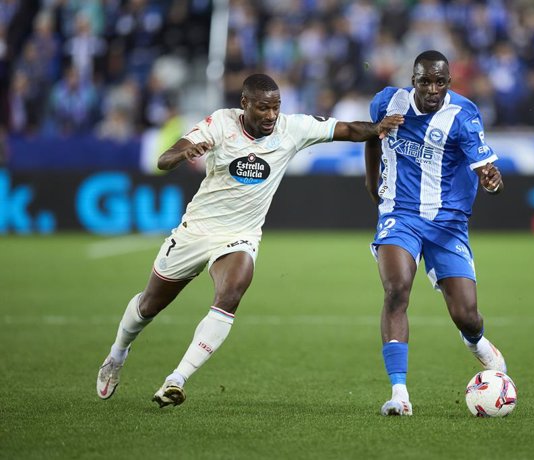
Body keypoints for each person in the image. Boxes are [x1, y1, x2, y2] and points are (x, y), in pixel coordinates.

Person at [96, 73, 404, 407]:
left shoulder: (292, 128)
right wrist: (183, 155)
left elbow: (346, 129)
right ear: (245, 105)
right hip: (196, 231)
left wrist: (377, 128)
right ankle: (117, 354)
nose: (271, 115)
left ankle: (176, 379)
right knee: (148, 306)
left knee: (231, 293)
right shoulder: (220, 124)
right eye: (263, 108)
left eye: (276, 107)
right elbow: (165, 158)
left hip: (240, 236)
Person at [364, 50, 507, 416]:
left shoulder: (463, 115)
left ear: (448, 82)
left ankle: (475, 341)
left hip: (448, 224)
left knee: (467, 314)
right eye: (425, 81)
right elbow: (371, 134)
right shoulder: (388, 101)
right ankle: (400, 394)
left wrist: (491, 179)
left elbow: (485, 168)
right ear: (412, 79)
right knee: (396, 290)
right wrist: (371, 178)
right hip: (400, 214)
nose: (432, 89)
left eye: (439, 82)